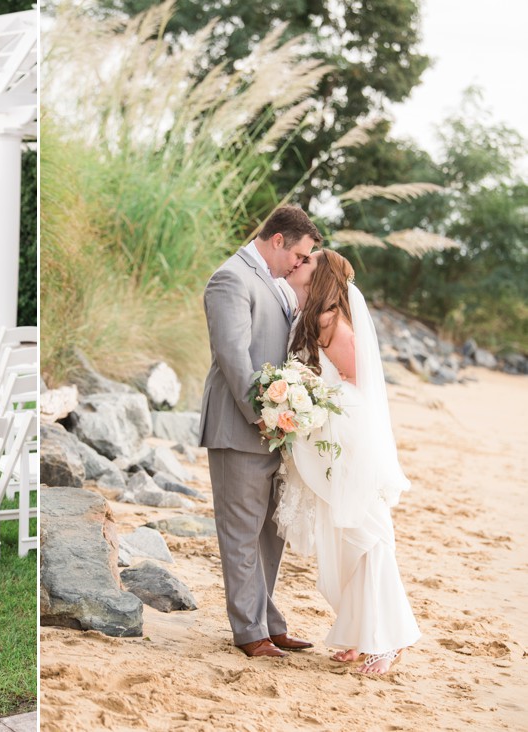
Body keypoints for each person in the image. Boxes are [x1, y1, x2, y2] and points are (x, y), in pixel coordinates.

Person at [278, 249, 421, 674]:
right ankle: (360, 633)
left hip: (348, 440)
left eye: (307, 261)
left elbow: (360, 385)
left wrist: (310, 399)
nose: (298, 262)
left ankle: (389, 641)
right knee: (345, 540)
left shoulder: (330, 323)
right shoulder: (313, 317)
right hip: (332, 439)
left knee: (366, 536)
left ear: (320, 277)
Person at [199, 205, 321, 658]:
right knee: (241, 530)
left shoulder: (278, 283)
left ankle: (269, 620)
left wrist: (288, 418)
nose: (300, 264)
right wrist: (265, 416)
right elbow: (234, 359)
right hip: (241, 425)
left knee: (272, 532)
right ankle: (249, 632)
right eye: (299, 255)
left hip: (277, 428)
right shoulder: (230, 278)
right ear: (277, 241)